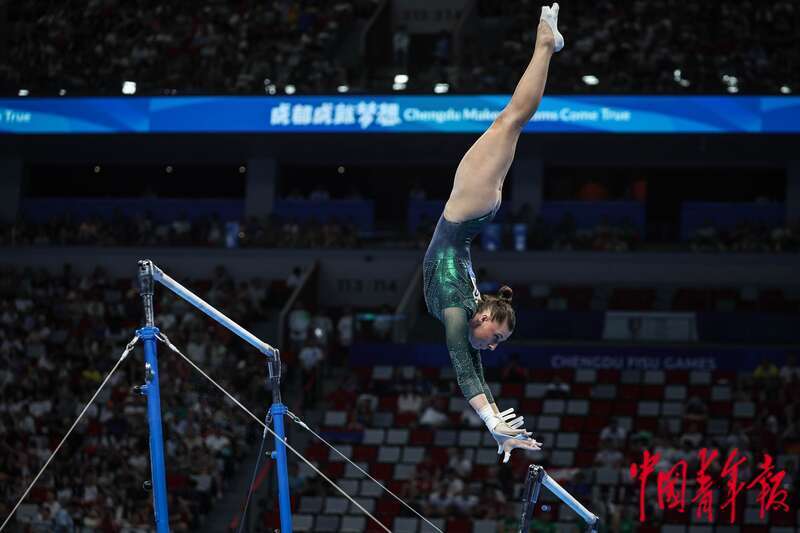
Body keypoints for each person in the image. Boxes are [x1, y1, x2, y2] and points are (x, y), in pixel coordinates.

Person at [422, 3, 563, 463]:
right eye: (498, 338)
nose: (493, 345)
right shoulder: (463, 310)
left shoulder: (458, 314)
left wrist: (493, 421)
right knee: (513, 120)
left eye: (495, 339)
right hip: (471, 210)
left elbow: (466, 368)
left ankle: (544, 42)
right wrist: (495, 421)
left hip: (468, 209)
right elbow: (472, 367)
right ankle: (545, 45)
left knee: (513, 118)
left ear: (483, 320)